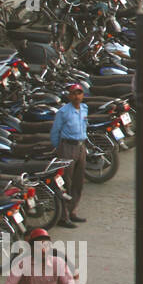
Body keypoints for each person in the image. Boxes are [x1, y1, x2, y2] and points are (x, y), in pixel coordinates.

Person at [49, 84, 87, 227]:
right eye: (74, 94)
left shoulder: (84, 108)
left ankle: (72, 211)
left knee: (78, 182)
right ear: (69, 96)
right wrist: (59, 149)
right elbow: (55, 132)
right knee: (66, 183)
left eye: (79, 93)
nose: (77, 96)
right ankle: (63, 216)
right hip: (67, 147)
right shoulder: (63, 112)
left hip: (80, 147)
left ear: (82, 95)